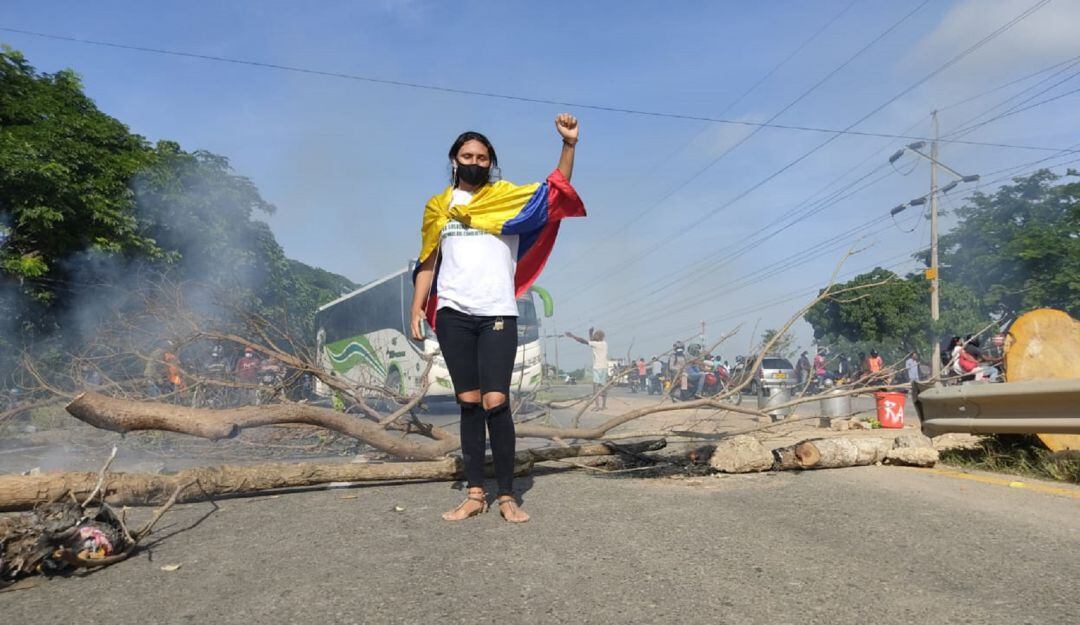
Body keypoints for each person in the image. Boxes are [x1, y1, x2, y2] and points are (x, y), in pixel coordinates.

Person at [410, 114, 584, 523]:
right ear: (454, 159)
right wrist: (418, 306)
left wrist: (569, 145)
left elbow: (555, 192)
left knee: (496, 401)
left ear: (491, 162)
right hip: (454, 313)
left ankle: (507, 495)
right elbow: (427, 262)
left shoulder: (507, 198)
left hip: (498, 312)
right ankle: (474, 494)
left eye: (483, 156)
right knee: (468, 403)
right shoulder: (438, 207)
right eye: (468, 155)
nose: (475, 161)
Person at [566, 328, 609, 411]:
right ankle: (604, 405)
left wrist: (572, 336)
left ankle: (597, 405)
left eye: (596, 335)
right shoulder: (604, 344)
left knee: (595, 388)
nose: (594, 336)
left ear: (599, 337)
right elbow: (591, 341)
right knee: (603, 387)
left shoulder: (596, 344)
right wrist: (590, 333)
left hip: (597, 368)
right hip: (604, 367)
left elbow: (583, 341)